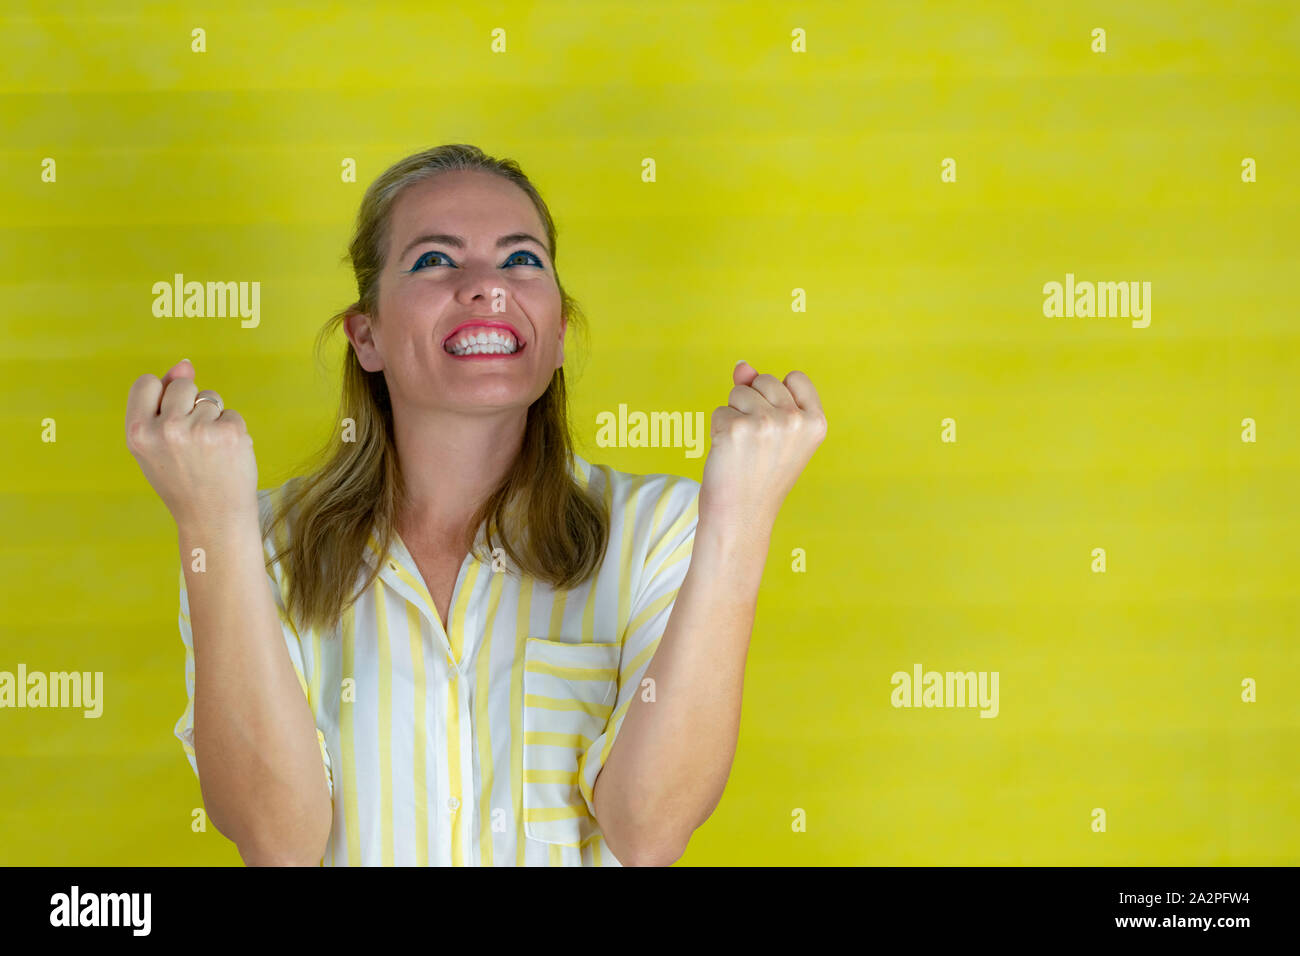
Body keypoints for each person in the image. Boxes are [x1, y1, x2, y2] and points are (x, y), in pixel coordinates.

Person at [124, 143, 826, 866]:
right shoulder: (257, 540)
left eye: (522, 260)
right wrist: (211, 524)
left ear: (556, 333)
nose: (488, 286)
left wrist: (742, 520)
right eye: (435, 260)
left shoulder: (659, 530)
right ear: (366, 336)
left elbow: (648, 832)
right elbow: (279, 844)